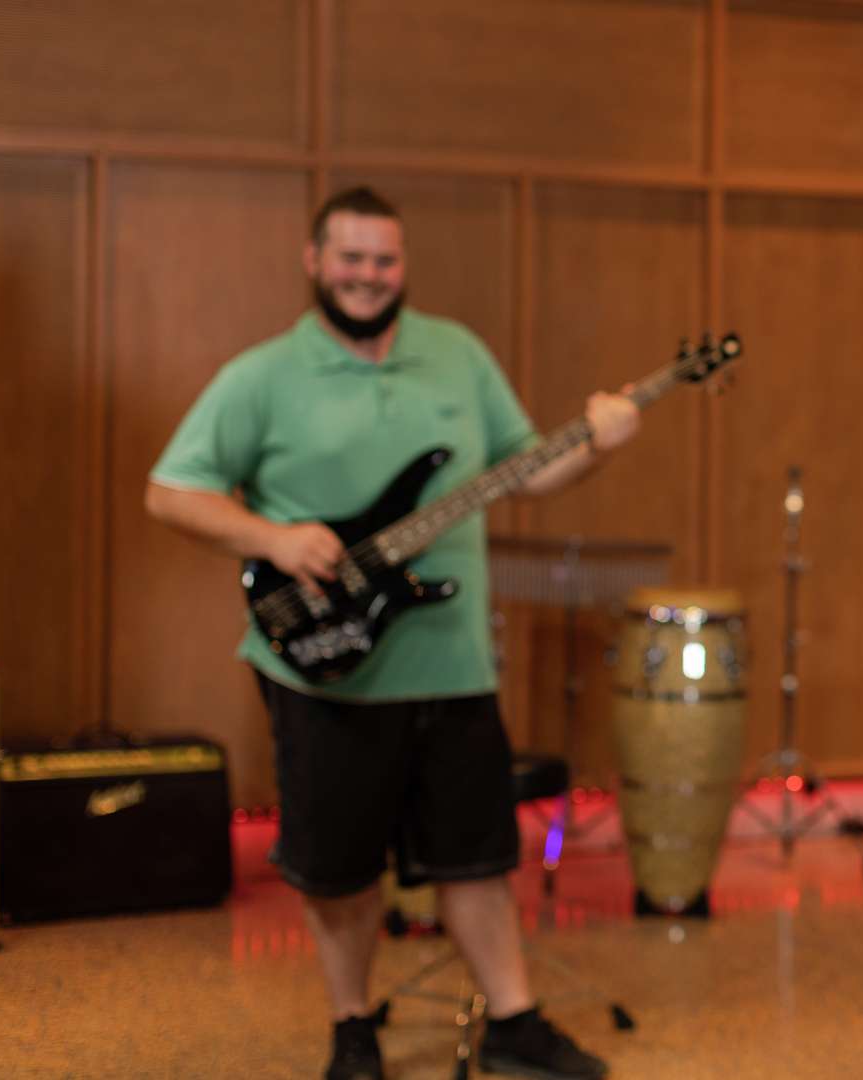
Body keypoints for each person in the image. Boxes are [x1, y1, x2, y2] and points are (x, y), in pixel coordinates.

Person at [145, 186, 637, 1080]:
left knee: (476, 857)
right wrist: (273, 539)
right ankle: (351, 1029)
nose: (369, 277)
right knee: (339, 871)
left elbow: (527, 472)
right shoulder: (263, 376)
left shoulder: (456, 356)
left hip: (451, 666)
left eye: (385, 260)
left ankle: (514, 1022)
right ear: (314, 261)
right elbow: (170, 492)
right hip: (323, 672)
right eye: (351, 258)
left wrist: (601, 439)